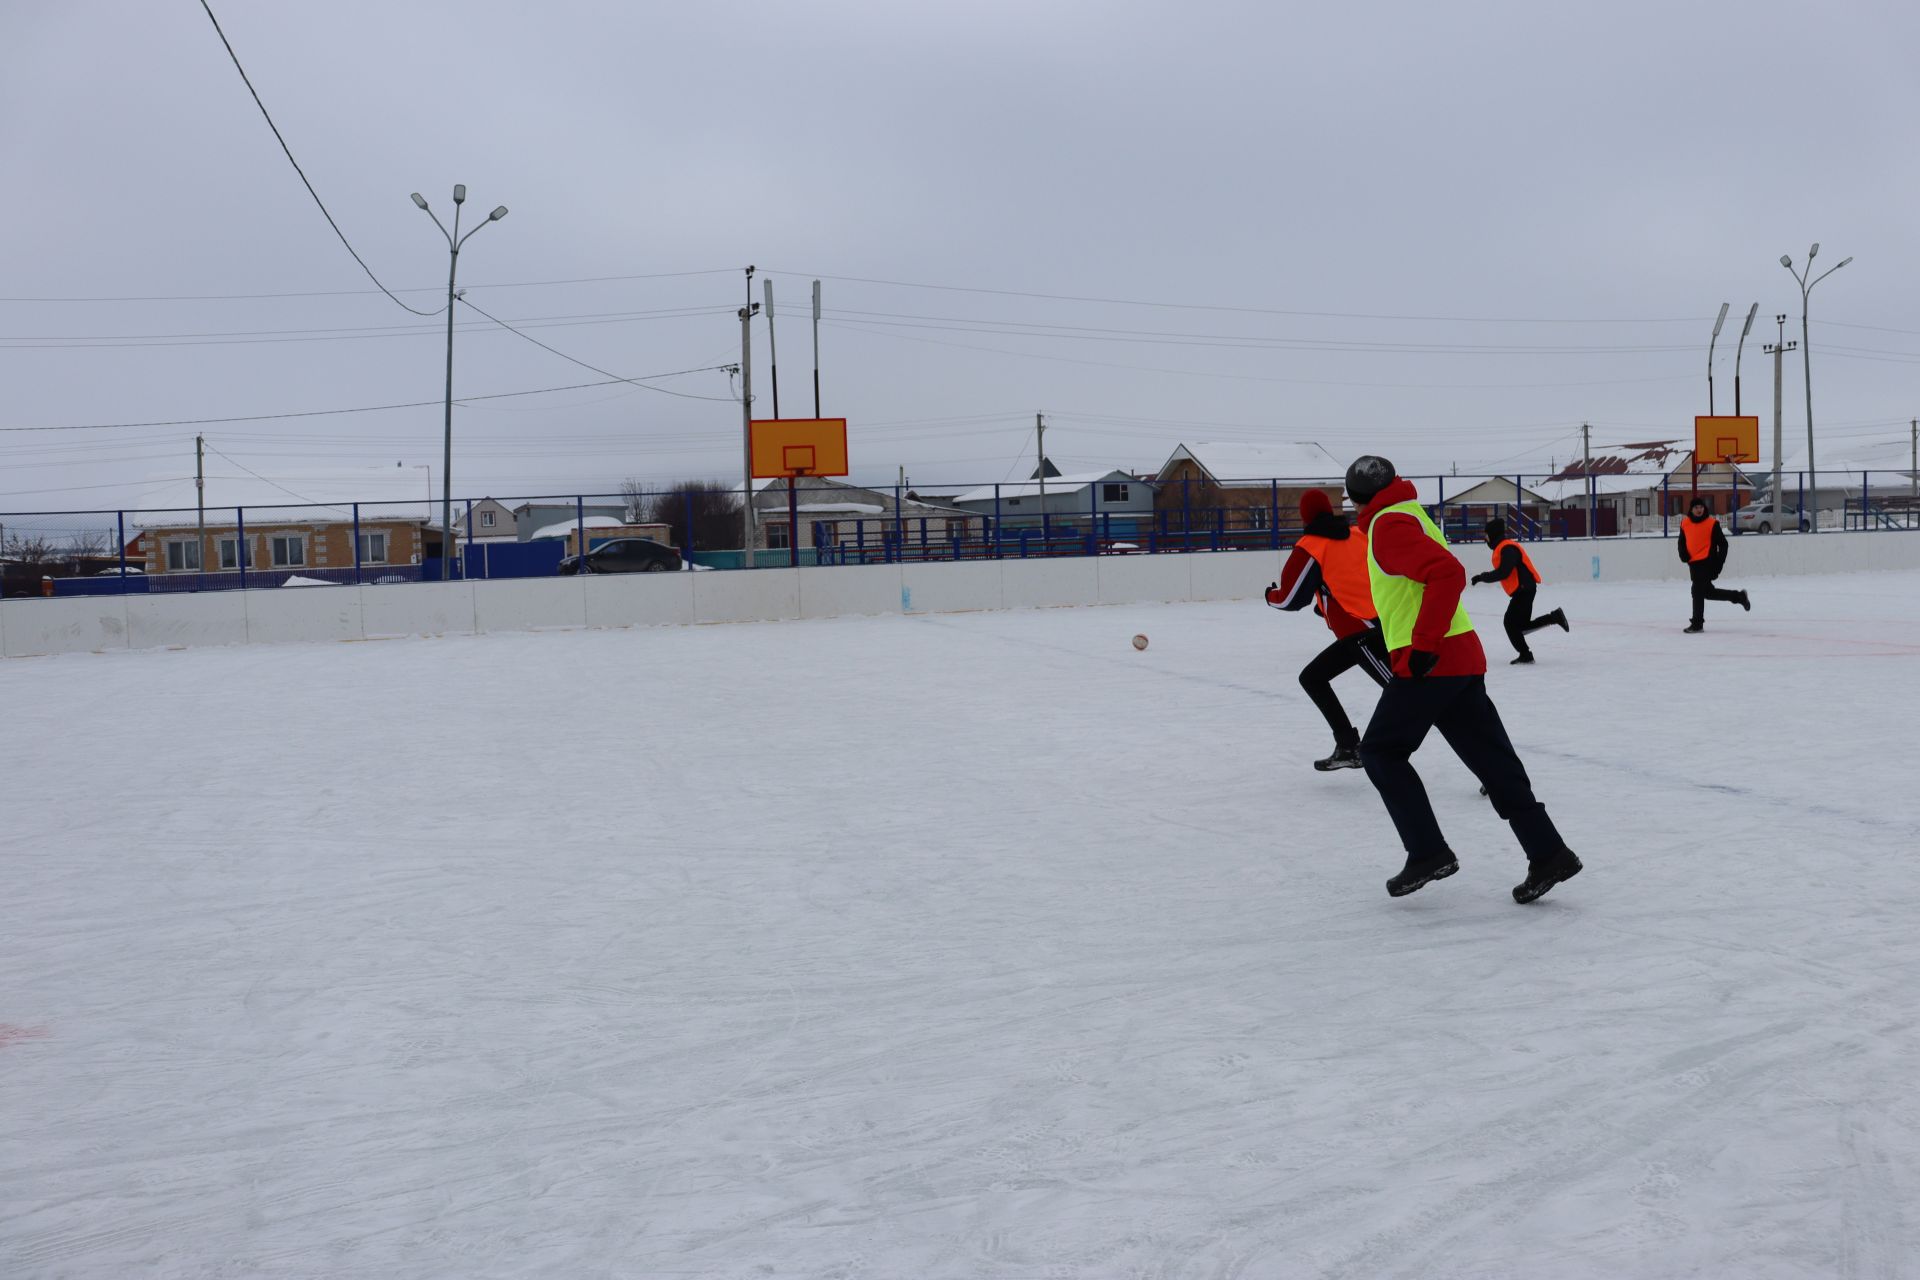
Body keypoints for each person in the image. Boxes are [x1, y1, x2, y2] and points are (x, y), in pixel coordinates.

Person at [1344, 455, 1584, 904]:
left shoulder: (1387, 526)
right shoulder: (1409, 512)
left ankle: (1427, 851)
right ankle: (1549, 851)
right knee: (1493, 763)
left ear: (1355, 499)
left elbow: (1446, 574)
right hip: (1460, 656)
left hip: (1430, 659)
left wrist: (1424, 643)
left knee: (1380, 752)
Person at [1265, 488, 1391, 770]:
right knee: (1312, 677)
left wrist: (1269, 595)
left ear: (1304, 516)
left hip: (1364, 634)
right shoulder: (1359, 534)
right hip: (1376, 626)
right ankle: (1348, 745)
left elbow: (1290, 598)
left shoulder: (1311, 545)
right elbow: (1356, 575)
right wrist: (1325, 603)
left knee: (1413, 699)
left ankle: (1487, 766)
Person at [1469, 517, 1568, 663]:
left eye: (1487, 536)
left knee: (1510, 623)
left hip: (1524, 590)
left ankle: (1526, 654)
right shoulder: (1504, 547)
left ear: (1493, 535)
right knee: (1520, 626)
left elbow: (1504, 572)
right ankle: (1554, 618)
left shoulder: (1507, 549)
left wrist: (1482, 577)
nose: (1486, 539)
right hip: (1524, 590)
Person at [1678, 496, 1751, 633]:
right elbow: (1681, 542)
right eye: (1696, 507)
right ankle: (1739, 597)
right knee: (1708, 593)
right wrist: (1683, 554)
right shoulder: (1685, 523)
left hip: (1707, 562)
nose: (1699, 510)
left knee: (1697, 591)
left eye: (1701, 507)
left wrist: (1719, 564)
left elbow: (1723, 545)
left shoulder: (1712, 524)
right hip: (1693, 564)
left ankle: (1697, 624)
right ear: (1691, 509)